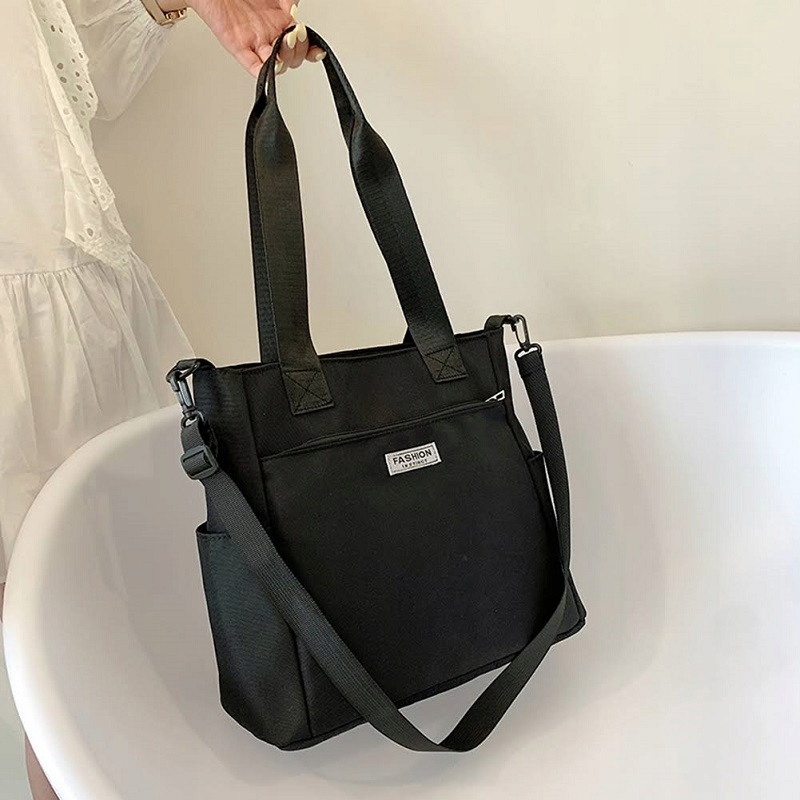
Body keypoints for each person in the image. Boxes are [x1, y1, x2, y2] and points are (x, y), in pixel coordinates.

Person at [0, 0, 321, 796]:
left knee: (84, 657)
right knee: (69, 649)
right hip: (38, 285)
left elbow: (72, 79)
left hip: (64, 282)